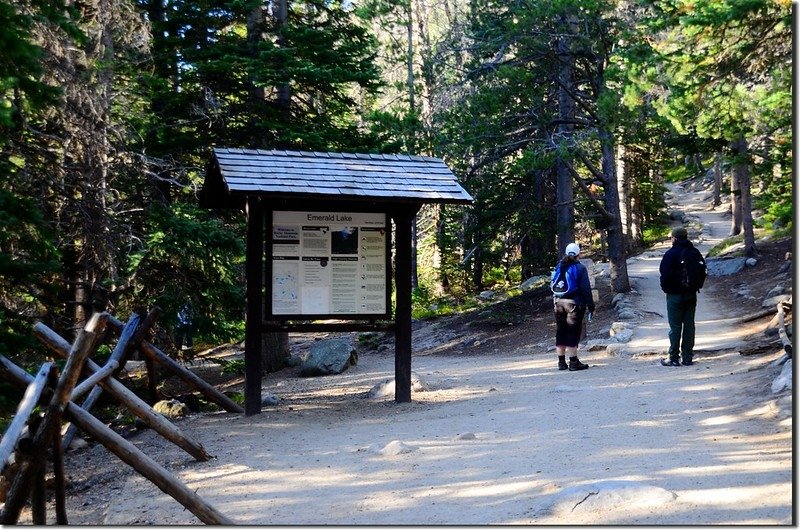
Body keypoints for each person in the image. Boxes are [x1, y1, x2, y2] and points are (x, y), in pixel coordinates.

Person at [659, 226, 702, 366]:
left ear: (675, 238)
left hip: (674, 296)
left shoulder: (670, 254)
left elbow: (664, 274)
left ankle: (673, 357)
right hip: (691, 294)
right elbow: (702, 270)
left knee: (675, 326)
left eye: (671, 237)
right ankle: (688, 358)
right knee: (689, 325)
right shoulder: (694, 252)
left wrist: (666, 289)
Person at [552, 242, 594, 371]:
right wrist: (591, 305)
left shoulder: (559, 266)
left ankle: (561, 362)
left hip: (558, 303)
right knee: (572, 331)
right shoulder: (580, 268)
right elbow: (585, 288)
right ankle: (573, 362)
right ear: (578, 254)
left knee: (561, 331)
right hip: (574, 303)